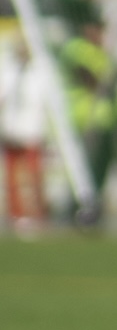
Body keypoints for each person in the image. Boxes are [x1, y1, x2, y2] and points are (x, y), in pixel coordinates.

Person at [58, 20, 117, 225]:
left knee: (100, 170)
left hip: (104, 121)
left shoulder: (103, 52)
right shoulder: (76, 48)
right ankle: (74, 210)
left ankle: (93, 210)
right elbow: (88, 77)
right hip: (83, 119)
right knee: (82, 169)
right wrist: (106, 78)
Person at [1, 30, 52, 229]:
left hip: (32, 131)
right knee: (12, 177)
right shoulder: (8, 69)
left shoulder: (40, 71)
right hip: (11, 130)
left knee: (33, 176)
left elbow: (41, 103)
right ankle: (16, 215)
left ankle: (38, 215)